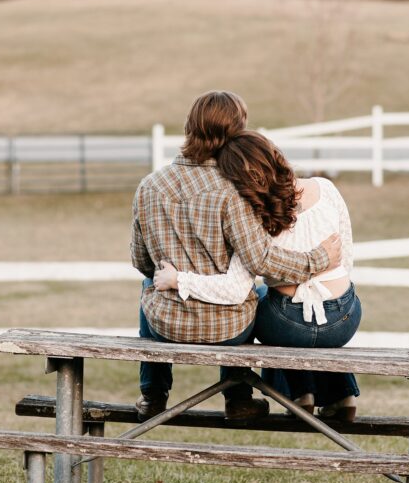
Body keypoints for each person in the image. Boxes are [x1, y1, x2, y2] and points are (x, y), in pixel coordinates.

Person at [131, 90, 343, 422]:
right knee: (257, 294)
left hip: (167, 325)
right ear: (236, 130)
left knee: (150, 283)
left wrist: (171, 273)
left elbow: (140, 260)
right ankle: (239, 398)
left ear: (189, 128)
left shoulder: (149, 186)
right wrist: (316, 260)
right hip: (227, 329)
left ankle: (153, 395)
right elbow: (261, 260)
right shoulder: (234, 190)